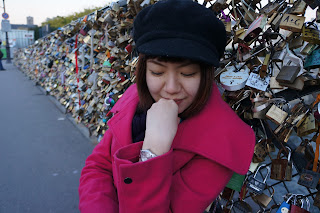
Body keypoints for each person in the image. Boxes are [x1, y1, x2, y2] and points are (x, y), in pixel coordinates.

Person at [79, 0, 255, 212]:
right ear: (143, 70)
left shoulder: (224, 138)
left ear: (206, 75)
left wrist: (154, 151)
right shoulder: (134, 98)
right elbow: (98, 167)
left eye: (188, 73)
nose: (170, 88)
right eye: (157, 72)